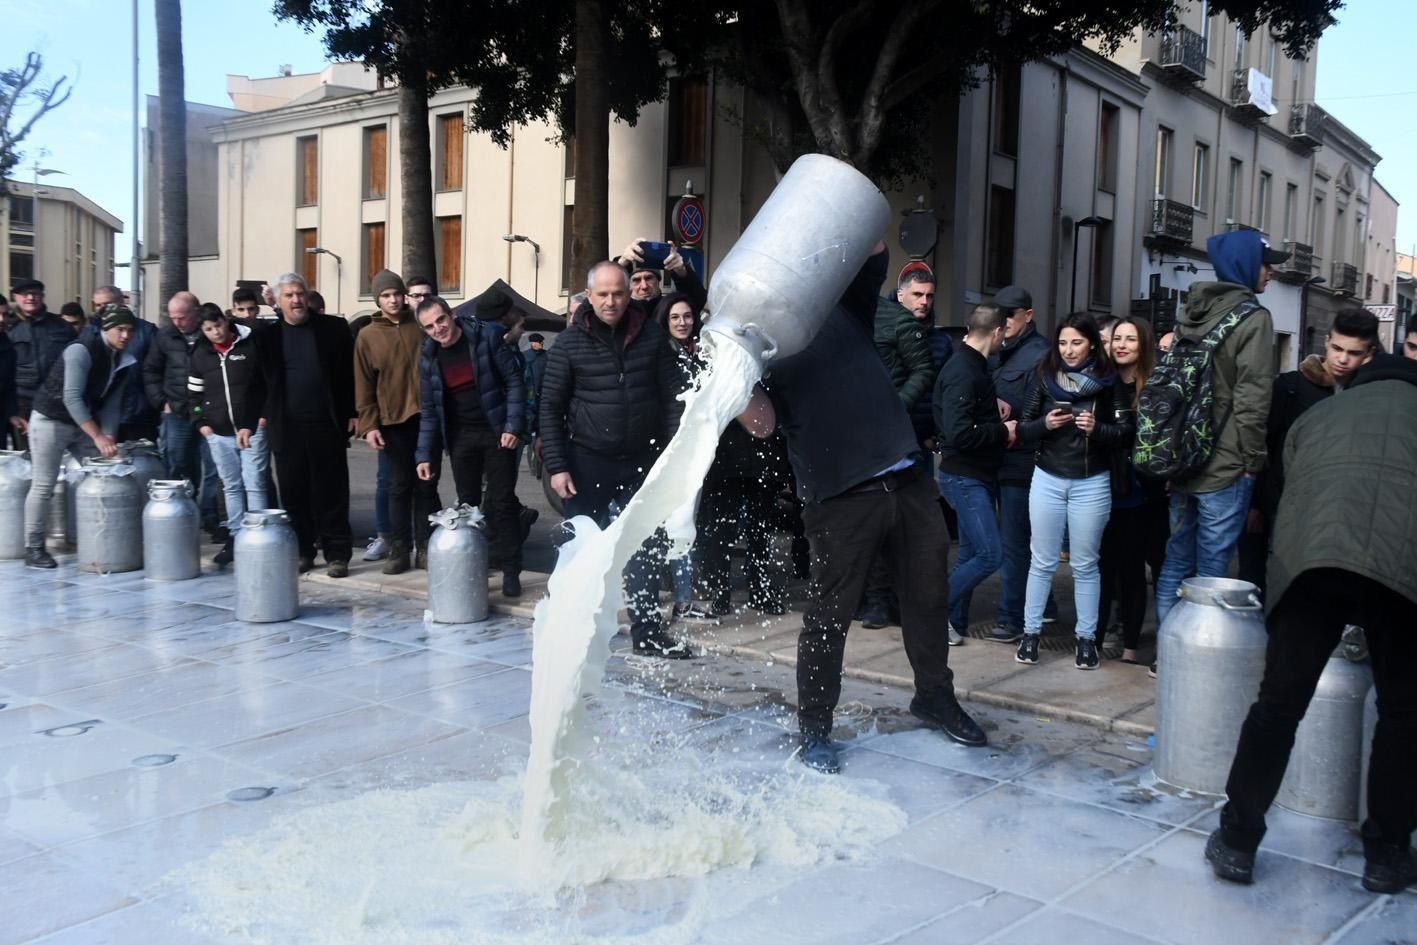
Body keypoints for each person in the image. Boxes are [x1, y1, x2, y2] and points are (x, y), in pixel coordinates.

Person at [744, 243, 986, 774]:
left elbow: (869, 247)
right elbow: (761, 424)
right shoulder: (758, 345)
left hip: (906, 479)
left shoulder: (842, 308)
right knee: (829, 618)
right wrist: (731, 370)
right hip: (838, 500)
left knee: (927, 598)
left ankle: (934, 697)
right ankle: (814, 727)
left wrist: (835, 203)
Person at [1204, 354, 1417, 894]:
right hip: (1402, 570)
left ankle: (1237, 841)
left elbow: (1287, 492)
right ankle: (1387, 855)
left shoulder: (1320, 416)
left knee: (1278, 706)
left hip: (1311, 565)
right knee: (1404, 714)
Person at [538, 261, 687, 657]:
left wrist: (670, 453)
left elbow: (673, 396)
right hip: (587, 461)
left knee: (645, 547)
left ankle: (649, 632)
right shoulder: (569, 343)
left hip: (642, 458)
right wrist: (557, 466)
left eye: (617, 293)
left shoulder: (651, 336)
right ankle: (568, 630)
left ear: (629, 294)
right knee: (579, 552)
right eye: (602, 294)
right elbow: (549, 408)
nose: (610, 301)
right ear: (589, 296)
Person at [1153, 232, 1284, 646]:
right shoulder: (1254, 319)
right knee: (1211, 568)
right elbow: (1253, 398)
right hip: (1225, 464)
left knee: (1175, 559)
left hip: (1182, 457)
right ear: (1247, 265)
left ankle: (1168, 650)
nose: (1271, 271)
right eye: (1266, 263)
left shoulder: (1192, 311)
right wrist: (1252, 462)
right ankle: (1197, 656)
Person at [1013, 313, 1131, 670]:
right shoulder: (1044, 377)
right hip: (1047, 476)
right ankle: (1030, 635)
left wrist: (1097, 428)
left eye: (1076, 342)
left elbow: (1126, 434)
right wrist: (1045, 424)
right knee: (1042, 561)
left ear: (1092, 343)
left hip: (1091, 480)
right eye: (1062, 342)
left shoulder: (1109, 383)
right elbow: (1023, 427)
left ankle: (1086, 641)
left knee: (1085, 564)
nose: (1068, 350)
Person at [1239, 308, 1378, 595]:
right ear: (1326, 342)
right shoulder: (1291, 386)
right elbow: (1265, 445)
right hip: (1276, 501)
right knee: (1254, 584)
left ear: (1369, 353)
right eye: (1337, 348)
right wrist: (1255, 504)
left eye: (1354, 352)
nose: (1342, 358)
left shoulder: (1368, 395)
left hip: (1329, 513)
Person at [414, 295, 526, 596]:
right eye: (429, 326)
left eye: (440, 320)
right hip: (461, 437)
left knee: (502, 504)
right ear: (424, 331)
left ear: (451, 315)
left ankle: (511, 569)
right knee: (468, 506)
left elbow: (515, 381)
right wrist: (424, 455)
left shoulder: (486, 337)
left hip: (495, 431)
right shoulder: (428, 356)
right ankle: (473, 566)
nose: (438, 329)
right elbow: (429, 410)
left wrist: (512, 426)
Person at [254, 272, 356, 577]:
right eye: (289, 295)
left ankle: (337, 554)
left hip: (327, 423)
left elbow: (349, 376)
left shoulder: (334, 329)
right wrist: (251, 421)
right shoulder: (267, 337)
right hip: (288, 427)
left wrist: (353, 412)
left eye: (299, 293)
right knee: (294, 493)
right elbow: (257, 384)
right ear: (278, 301)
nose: (296, 300)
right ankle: (303, 551)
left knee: (332, 492)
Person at [22, 304, 139, 568]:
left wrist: (108, 438)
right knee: (44, 484)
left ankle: (106, 539)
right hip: (50, 419)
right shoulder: (81, 350)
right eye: (120, 329)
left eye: (130, 330)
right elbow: (71, 397)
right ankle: (34, 546)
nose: (125, 336)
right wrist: (98, 436)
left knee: (108, 469)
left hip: (82, 425)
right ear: (106, 329)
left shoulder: (123, 358)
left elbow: (112, 405)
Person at [857, 270, 938, 630]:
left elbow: (924, 371)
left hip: (897, 439)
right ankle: (869, 599)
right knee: (861, 521)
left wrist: (897, 407)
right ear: (901, 293)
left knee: (896, 524)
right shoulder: (855, 312)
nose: (924, 301)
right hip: (858, 434)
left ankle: (884, 600)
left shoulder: (901, 324)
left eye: (929, 295)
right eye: (918, 294)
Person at [933, 303, 1015, 644]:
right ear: (997, 332)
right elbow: (959, 433)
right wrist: (1003, 430)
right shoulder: (964, 370)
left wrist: (992, 413)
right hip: (964, 477)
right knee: (989, 555)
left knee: (970, 554)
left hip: (973, 475)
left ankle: (951, 625)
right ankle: (931, 612)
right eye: (1004, 335)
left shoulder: (974, 366)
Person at [355, 269, 439, 574]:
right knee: (398, 487)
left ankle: (426, 547)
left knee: (427, 485)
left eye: (396, 294)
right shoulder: (367, 336)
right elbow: (363, 384)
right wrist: (369, 424)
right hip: (392, 421)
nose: (392, 300)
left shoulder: (419, 325)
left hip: (426, 418)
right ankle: (399, 548)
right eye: (385, 296)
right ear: (377, 299)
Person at [1096, 316, 1162, 664]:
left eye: (1130, 340)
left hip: (1141, 492)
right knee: (1102, 569)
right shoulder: (1099, 381)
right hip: (1101, 487)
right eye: (1117, 338)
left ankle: (1132, 645)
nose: (1121, 345)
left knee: (1133, 570)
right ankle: (1093, 640)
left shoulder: (1154, 385)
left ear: (1143, 346)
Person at [987, 284, 1050, 643]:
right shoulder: (999, 351)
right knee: (1018, 542)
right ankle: (1045, 604)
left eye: (1011, 314)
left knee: (1014, 543)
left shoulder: (1039, 356)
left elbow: (1039, 413)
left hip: (1021, 463)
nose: (1004, 320)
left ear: (1027, 315)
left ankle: (1011, 616)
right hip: (997, 459)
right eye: (1000, 313)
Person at [654, 292, 717, 622]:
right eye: (675, 317)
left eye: (687, 316)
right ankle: (666, 598)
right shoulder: (659, 354)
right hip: (667, 450)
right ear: (665, 321)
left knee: (683, 526)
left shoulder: (701, 353)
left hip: (695, 450)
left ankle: (682, 599)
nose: (682, 322)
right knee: (665, 527)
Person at [188, 306, 268, 566]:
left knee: (254, 481)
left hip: (252, 428)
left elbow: (265, 384)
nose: (215, 333)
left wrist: (261, 417)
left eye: (218, 326)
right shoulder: (200, 354)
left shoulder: (250, 344)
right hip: (218, 432)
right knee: (231, 485)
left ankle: (259, 534)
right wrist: (202, 423)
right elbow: (194, 395)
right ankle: (235, 536)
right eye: (208, 329)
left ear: (225, 321)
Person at [145, 290, 222, 538]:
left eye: (182, 317)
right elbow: (151, 371)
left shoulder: (211, 332)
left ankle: (210, 517)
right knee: (179, 465)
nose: (177, 322)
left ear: (196, 313)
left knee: (213, 469)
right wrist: (161, 402)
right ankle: (183, 515)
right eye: (173, 317)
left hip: (211, 413)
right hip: (177, 412)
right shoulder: (164, 336)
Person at [84, 285, 159, 442]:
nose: (101, 309)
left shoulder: (146, 331)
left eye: (107, 304)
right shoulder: (90, 332)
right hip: (101, 413)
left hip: (139, 413)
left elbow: (157, 369)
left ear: (121, 302)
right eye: (98, 305)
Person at [9, 278, 74, 452]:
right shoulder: (8, 328)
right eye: (25, 294)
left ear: (42, 297)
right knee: (24, 454)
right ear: (15, 297)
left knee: (54, 451)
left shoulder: (61, 327)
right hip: (21, 401)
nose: (31, 298)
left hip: (55, 399)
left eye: (35, 294)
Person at [616, 238, 708, 312]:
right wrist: (618, 266)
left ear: (658, 280)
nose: (644, 286)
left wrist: (683, 273)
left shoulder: (670, 309)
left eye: (649, 278)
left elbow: (697, 301)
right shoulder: (619, 312)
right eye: (636, 280)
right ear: (628, 285)